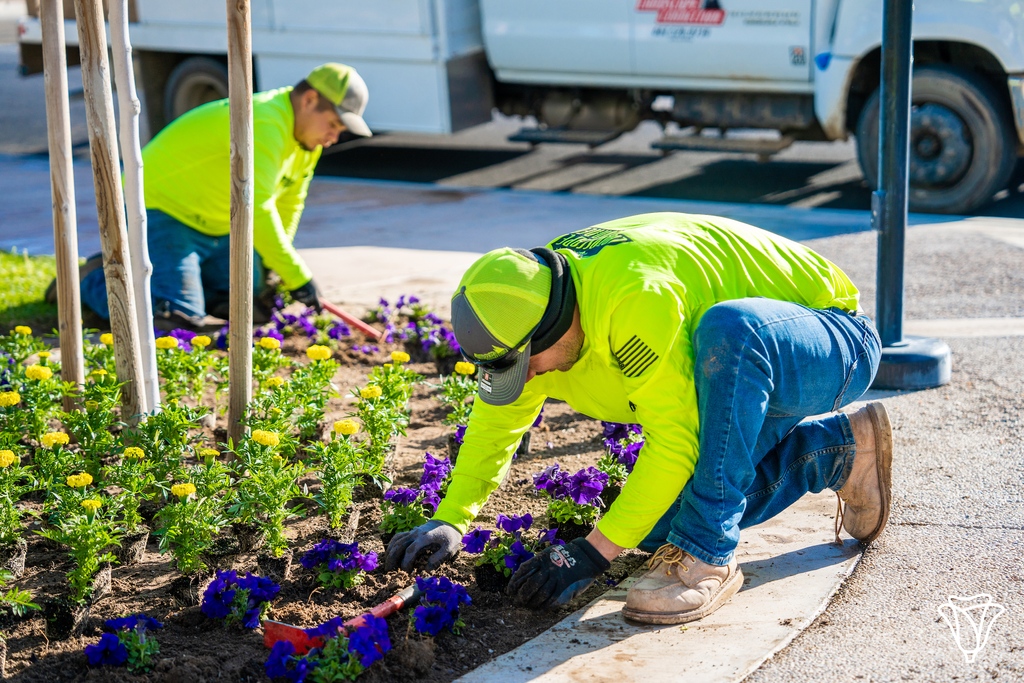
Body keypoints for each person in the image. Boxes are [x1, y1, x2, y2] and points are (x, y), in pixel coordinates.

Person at [386, 212, 892, 625]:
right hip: (740, 376)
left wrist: (590, 555)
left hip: (829, 340)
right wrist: (451, 518)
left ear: (556, 324)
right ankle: (837, 453)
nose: (528, 377)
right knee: (651, 528)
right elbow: (496, 422)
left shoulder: (632, 300)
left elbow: (676, 440)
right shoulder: (526, 299)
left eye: (527, 363)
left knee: (731, 329)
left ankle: (708, 554)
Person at [69, 63, 372, 331]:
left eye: (340, 130)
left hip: (217, 224)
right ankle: (91, 279)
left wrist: (273, 266)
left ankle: (191, 279)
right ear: (309, 100)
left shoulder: (308, 143)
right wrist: (298, 278)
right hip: (160, 210)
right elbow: (259, 208)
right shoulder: (265, 123)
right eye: (333, 124)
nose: (333, 138)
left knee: (247, 307)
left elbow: (289, 203)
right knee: (177, 320)